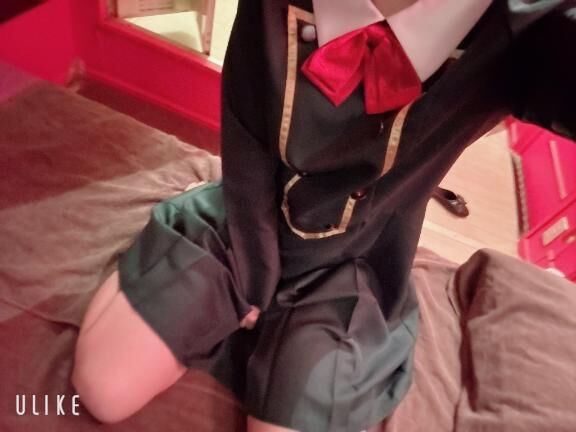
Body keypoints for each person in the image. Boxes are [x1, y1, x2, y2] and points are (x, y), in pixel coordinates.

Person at [71, 1, 576, 431]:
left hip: (357, 264)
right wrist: (253, 271)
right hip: (241, 220)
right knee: (104, 387)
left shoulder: (526, 29)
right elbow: (246, 123)